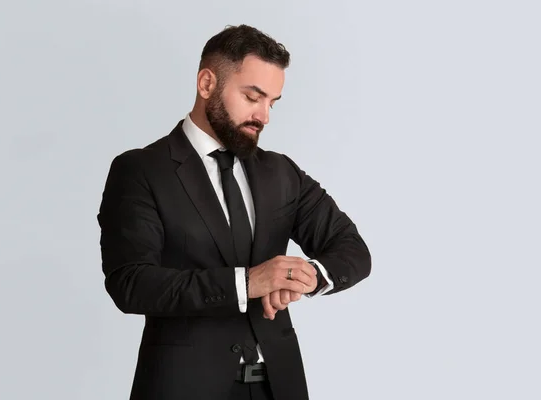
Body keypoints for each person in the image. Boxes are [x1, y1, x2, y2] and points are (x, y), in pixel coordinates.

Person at [97, 24, 371, 400]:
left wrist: (304, 276)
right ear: (207, 84)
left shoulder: (281, 172)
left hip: (279, 385)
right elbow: (130, 283)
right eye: (252, 97)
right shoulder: (141, 170)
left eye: (272, 102)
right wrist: (247, 284)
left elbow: (352, 249)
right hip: (183, 387)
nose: (264, 116)